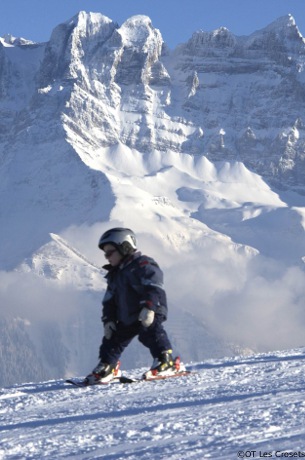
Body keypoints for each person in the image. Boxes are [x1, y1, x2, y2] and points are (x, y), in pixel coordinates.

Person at [86, 227, 179, 384]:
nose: (107, 257)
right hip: (127, 315)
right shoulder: (115, 275)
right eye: (105, 254)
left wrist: (149, 307)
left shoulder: (142, 264)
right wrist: (108, 320)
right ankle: (108, 366)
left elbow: (154, 284)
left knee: (149, 331)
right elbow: (109, 300)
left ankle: (166, 360)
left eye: (110, 253)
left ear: (124, 247)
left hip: (149, 310)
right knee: (112, 339)